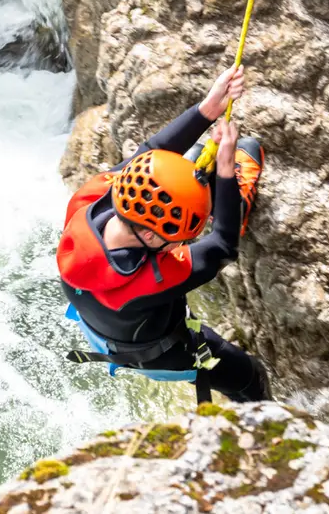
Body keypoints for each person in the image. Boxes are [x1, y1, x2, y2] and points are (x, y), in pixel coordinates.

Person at [55, 64, 272, 403]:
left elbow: (151, 152)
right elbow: (222, 245)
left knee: (195, 165)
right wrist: (227, 170)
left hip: (106, 324)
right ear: (155, 241)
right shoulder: (149, 278)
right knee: (246, 375)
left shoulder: (89, 202)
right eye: (176, 236)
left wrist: (207, 109)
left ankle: (211, 194)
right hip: (160, 353)